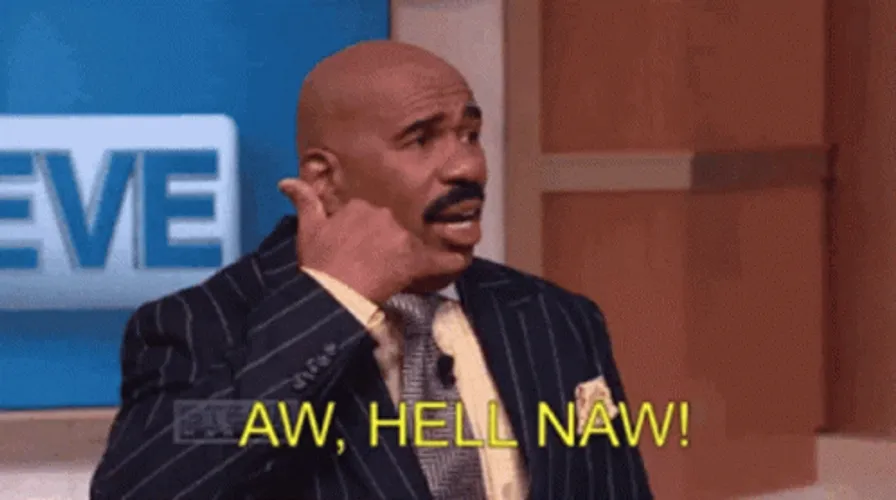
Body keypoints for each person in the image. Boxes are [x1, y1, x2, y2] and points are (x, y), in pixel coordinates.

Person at [90, 40, 652, 500]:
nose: (468, 166)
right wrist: (334, 299)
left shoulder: (555, 319)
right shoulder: (201, 326)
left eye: (469, 134)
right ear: (326, 179)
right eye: (421, 139)